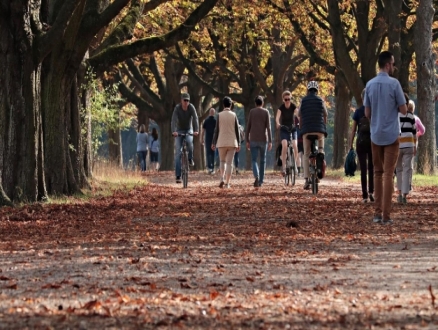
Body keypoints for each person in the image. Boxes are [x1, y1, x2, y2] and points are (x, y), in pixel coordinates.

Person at [364, 50, 407, 225]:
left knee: (377, 172)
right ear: (388, 64)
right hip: (391, 134)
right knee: (389, 174)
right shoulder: (395, 84)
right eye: (393, 64)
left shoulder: (369, 85)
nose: (394, 67)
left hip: (375, 134)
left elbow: (367, 112)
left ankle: (376, 213)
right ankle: (386, 215)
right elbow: (404, 109)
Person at [297, 81, 328, 190]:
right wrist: (324, 124)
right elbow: (326, 114)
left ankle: (307, 180)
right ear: (317, 90)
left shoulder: (303, 101)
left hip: (307, 130)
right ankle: (319, 168)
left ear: (308, 90)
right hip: (319, 130)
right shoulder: (320, 100)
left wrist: (301, 127)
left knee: (306, 154)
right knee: (321, 150)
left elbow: (298, 114)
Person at [349, 88, 374, 203]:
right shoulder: (374, 110)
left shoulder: (358, 112)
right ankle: (371, 192)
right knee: (372, 168)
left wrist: (350, 145)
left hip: (361, 142)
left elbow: (353, 129)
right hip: (373, 142)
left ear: (362, 98)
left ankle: (364, 195)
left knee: (363, 169)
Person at [211, 97, 241, 188]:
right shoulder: (234, 115)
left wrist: (213, 142)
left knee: (222, 161)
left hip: (221, 142)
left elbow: (216, 130)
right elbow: (237, 130)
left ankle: (222, 178)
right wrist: (239, 143)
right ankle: (227, 183)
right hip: (232, 142)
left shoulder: (219, 115)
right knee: (229, 163)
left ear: (223, 105)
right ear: (231, 105)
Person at [171, 92, 199, 183]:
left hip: (188, 129)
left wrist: (196, 130)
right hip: (179, 130)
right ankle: (178, 176)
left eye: (187, 100)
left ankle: (190, 158)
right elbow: (174, 119)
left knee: (190, 142)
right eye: (185, 100)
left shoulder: (191, 108)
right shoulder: (177, 108)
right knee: (178, 153)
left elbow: (195, 119)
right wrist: (173, 131)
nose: (186, 102)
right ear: (181, 101)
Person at [245, 96, 272, 187]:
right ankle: (261, 181)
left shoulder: (252, 112)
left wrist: (247, 140)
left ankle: (256, 175)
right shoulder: (266, 112)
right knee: (263, 160)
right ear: (262, 103)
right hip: (263, 139)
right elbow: (268, 127)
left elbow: (248, 126)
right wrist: (270, 141)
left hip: (253, 139)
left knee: (254, 160)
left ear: (255, 103)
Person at [396, 97, 416, 204]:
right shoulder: (411, 115)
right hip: (409, 144)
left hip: (398, 145)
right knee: (407, 169)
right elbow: (414, 132)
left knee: (398, 169)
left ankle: (399, 193)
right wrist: (415, 146)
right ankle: (404, 195)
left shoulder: (396, 116)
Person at [276, 90, 299, 177]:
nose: (287, 101)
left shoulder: (293, 106)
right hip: (284, 129)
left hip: (292, 128)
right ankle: (284, 167)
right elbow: (277, 117)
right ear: (283, 100)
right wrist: (278, 123)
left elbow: (297, 114)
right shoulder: (281, 108)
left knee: (295, 145)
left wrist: (299, 121)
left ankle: (295, 165)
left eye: (289, 99)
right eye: (286, 99)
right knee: (285, 145)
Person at [201, 108, 216, 174]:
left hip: (208, 139)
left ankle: (210, 167)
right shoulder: (215, 121)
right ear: (214, 113)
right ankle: (212, 167)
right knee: (212, 153)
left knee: (208, 153)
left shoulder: (206, 121)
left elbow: (203, 131)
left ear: (209, 113)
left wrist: (201, 138)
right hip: (214, 139)